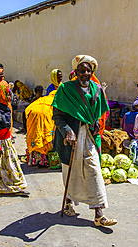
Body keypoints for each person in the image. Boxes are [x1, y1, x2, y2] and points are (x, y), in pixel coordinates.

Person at [52, 55, 116, 227]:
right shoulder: (65, 89)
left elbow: (100, 114)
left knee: (94, 170)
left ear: (92, 72)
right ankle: (68, 203)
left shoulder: (96, 89)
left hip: (89, 137)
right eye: (81, 71)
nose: (85, 74)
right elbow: (57, 116)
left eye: (88, 71)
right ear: (76, 72)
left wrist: (97, 127)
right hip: (70, 139)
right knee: (71, 172)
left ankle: (99, 214)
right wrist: (67, 132)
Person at [25, 83, 58, 167]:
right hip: (44, 115)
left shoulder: (44, 99)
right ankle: (45, 161)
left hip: (32, 114)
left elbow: (27, 110)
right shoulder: (54, 101)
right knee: (47, 137)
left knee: (36, 136)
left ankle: (36, 160)